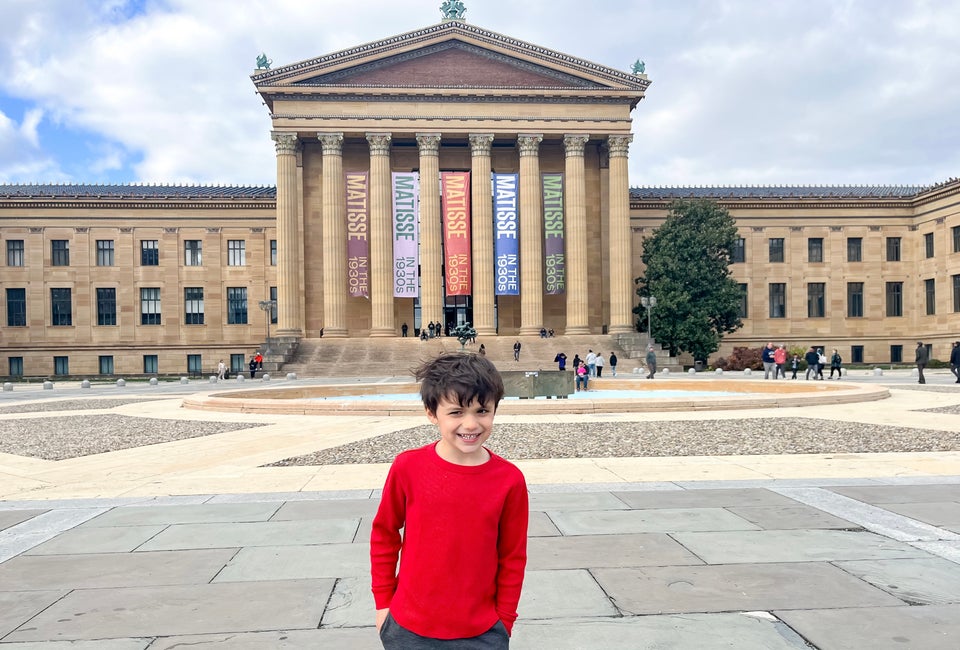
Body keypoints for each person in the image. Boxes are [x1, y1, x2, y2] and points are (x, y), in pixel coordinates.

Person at [370, 353, 528, 648]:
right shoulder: (407, 467)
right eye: (456, 412)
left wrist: (504, 620)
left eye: (482, 411)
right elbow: (384, 534)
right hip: (408, 626)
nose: (470, 424)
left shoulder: (509, 480)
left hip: (482, 631)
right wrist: (383, 604)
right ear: (432, 413)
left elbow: (513, 556)